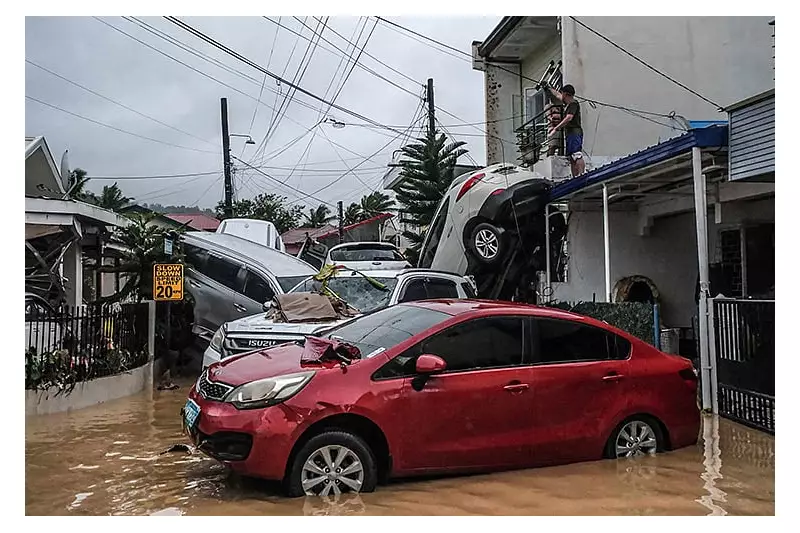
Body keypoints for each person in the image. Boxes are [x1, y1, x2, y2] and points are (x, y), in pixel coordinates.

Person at [545, 83, 585, 177]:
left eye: (562, 93)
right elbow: (557, 95)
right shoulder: (567, 104)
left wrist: (556, 128)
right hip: (569, 133)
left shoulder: (573, 104)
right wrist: (548, 88)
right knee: (571, 157)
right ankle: (575, 178)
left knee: (576, 154)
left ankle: (582, 175)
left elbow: (569, 118)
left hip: (574, 132)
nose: (561, 95)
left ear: (566, 94)